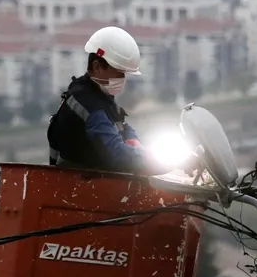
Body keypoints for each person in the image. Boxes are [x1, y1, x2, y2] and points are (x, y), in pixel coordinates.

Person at [47, 26, 167, 175]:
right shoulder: (86, 103)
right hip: (80, 188)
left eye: (124, 74)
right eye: (118, 73)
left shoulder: (99, 95)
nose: (122, 79)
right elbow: (118, 154)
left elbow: (122, 125)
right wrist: (165, 162)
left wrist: (134, 142)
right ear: (97, 66)